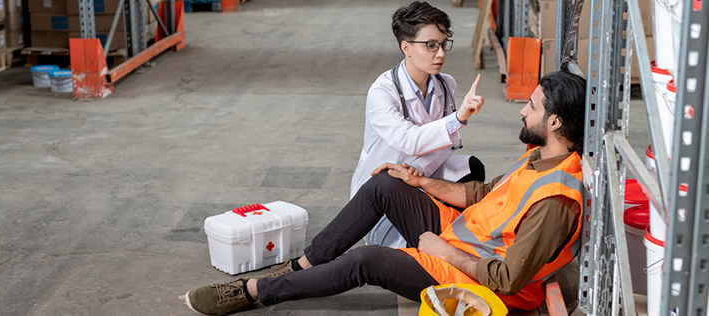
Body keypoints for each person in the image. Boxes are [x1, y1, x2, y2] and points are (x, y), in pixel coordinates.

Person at [185, 71, 587, 315]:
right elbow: (482, 194)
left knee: (367, 260)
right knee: (385, 183)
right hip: (462, 237)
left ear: (553, 121)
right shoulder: (538, 157)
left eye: (531, 106)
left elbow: (508, 280)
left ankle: (253, 292)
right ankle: (303, 266)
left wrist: (442, 251)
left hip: (475, 277)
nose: (521, 110)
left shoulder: (556, 199)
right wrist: (421, 183)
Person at [353, 1, 486, 248]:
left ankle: (447, 232)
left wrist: (418, 171)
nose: (441, 53)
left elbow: (446, 145)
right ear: (406, 47)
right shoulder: (383, 91)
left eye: (444, 44)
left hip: (420, 174)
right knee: (406, 235)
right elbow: (410, 140)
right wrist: (457, 119)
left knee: (471, 168)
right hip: (383, 189)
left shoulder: (445, 85)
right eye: (431, 46)